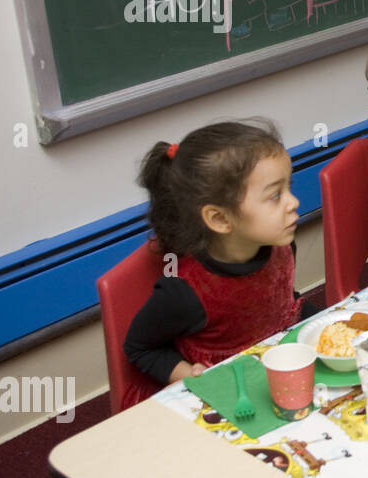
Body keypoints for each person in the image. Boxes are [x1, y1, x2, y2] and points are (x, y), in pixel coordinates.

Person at [123, 121, 304, 408]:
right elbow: (139, 348)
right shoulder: (184, 293)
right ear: (220, 219)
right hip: (220, 400)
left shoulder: (281, 248)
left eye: (288, 187)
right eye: (274, 195)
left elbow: (281, 302)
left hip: (274, 381)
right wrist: (188, 374)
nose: (293, 202)